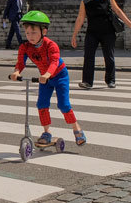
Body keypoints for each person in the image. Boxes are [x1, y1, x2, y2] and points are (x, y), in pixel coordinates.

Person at [12, 11, 86, 146]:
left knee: (63, 105)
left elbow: (54, 62)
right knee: (41, 104)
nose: (30, 37)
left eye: (33, 33)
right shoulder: (25, 47)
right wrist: (16, 72)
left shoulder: (51, 45)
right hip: (44, 79)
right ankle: (47, 133)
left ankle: (76, 128)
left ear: (43, 31)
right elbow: (21, 62)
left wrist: (47, 74)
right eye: (27, 33)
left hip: (59, 76)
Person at [70, 0, 131, 89]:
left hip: (108, 32)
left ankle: (110, 80)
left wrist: (130, 24)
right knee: (88, 56)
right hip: (92, 33)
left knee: (109, 56)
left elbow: (118, 11)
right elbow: (80, 18)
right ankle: (87, 82)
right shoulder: (85, 2)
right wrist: (74, 35)